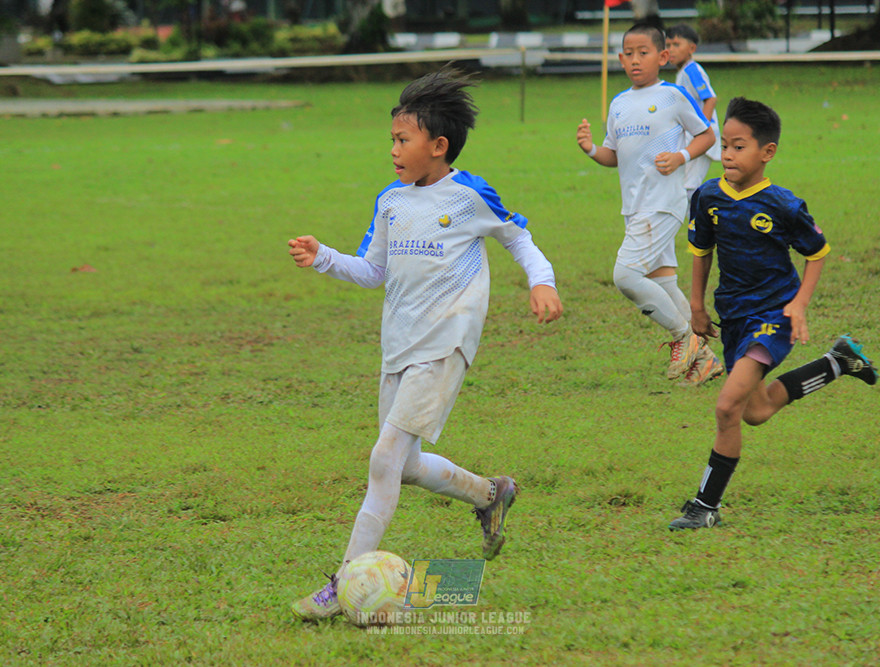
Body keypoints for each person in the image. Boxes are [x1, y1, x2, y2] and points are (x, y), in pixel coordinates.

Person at [288, 66, 563, 619]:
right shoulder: (390, 200)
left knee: (384, 458)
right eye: (392, 138)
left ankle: (342, 587)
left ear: (437, 146)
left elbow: (519, 238)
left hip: (446, 342)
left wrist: (542, 281)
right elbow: (372, 271)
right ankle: (492, 494)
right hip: (399, 347)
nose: (392, 149)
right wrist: (324, 258)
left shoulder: (468, 196)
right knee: (406, 465)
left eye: (402, 139)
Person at [669, 97, 879, 530]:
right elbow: (701, 251)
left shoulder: (783, 205)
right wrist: (695, 304)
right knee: (756, 410)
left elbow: (817, 254)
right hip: (734, 316)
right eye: (724, 145)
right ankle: (838, 362)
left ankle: (706, 506)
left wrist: (798, 305)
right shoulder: (708, 196)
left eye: (738, 146)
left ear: (767, 152)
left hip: (773, 316)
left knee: (727, 407)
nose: (727, 154)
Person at [576, 22, 723, 387]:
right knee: (665, 282)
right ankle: (704, 360)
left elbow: (707, 134)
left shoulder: (673, 95)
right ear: (621, 59)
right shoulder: (619, 103)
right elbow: (614, 156)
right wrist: (592, 150)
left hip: (663, 204)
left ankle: (683, 339)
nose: (635, 60)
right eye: (629, 53)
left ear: (663, 56)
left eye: (644, 53)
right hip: (635, 207)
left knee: (625, 276)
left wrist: (681, 157)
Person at [664, 23, 722, 217]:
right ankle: (698, 232)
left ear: (691, 48)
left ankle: (701, 233)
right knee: (685, 185)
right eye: (668, 45)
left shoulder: (692, 70)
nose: (671, 50)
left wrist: (702, 130)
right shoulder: (683, 72)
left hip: (703, 136)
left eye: (676, 44)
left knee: (688, 187)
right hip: (695, 135)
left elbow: (710, 98)